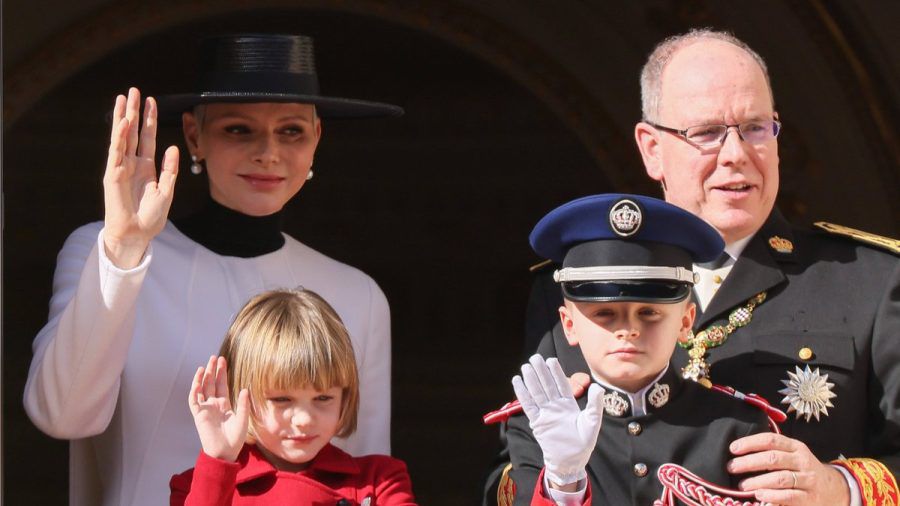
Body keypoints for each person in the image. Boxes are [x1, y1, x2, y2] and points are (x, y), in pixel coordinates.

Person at [495, 28, 900, 506]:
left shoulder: (870, 281)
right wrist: (563, 481)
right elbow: (510, 477)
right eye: (707, 133)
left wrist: (840, 488)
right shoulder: (569, 287)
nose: (736, 155)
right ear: (651, 148)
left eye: (755, 128)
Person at [23, 34, 402, 506]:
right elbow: (62, 416)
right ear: (194, 135)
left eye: (291, 131)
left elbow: (361, 474)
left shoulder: (356, 294)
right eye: (238, 130)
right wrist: (124, 250)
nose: (268, 152)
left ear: (316, 138)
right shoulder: (108, 251)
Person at [503, 193, 778, 505]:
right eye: (604, 314)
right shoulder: (537, 427)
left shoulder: (737, 425)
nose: (628, 330)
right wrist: (563, 482)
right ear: (568, 325)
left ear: (685, 321)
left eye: (649, 313)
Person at [170, 288, 416, 505]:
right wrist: (219, 460)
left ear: (345, 396)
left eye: (323, 398)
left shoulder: (379, 481)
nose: (304, 419)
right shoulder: (196, 487)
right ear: (239, 395)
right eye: (281, 399)